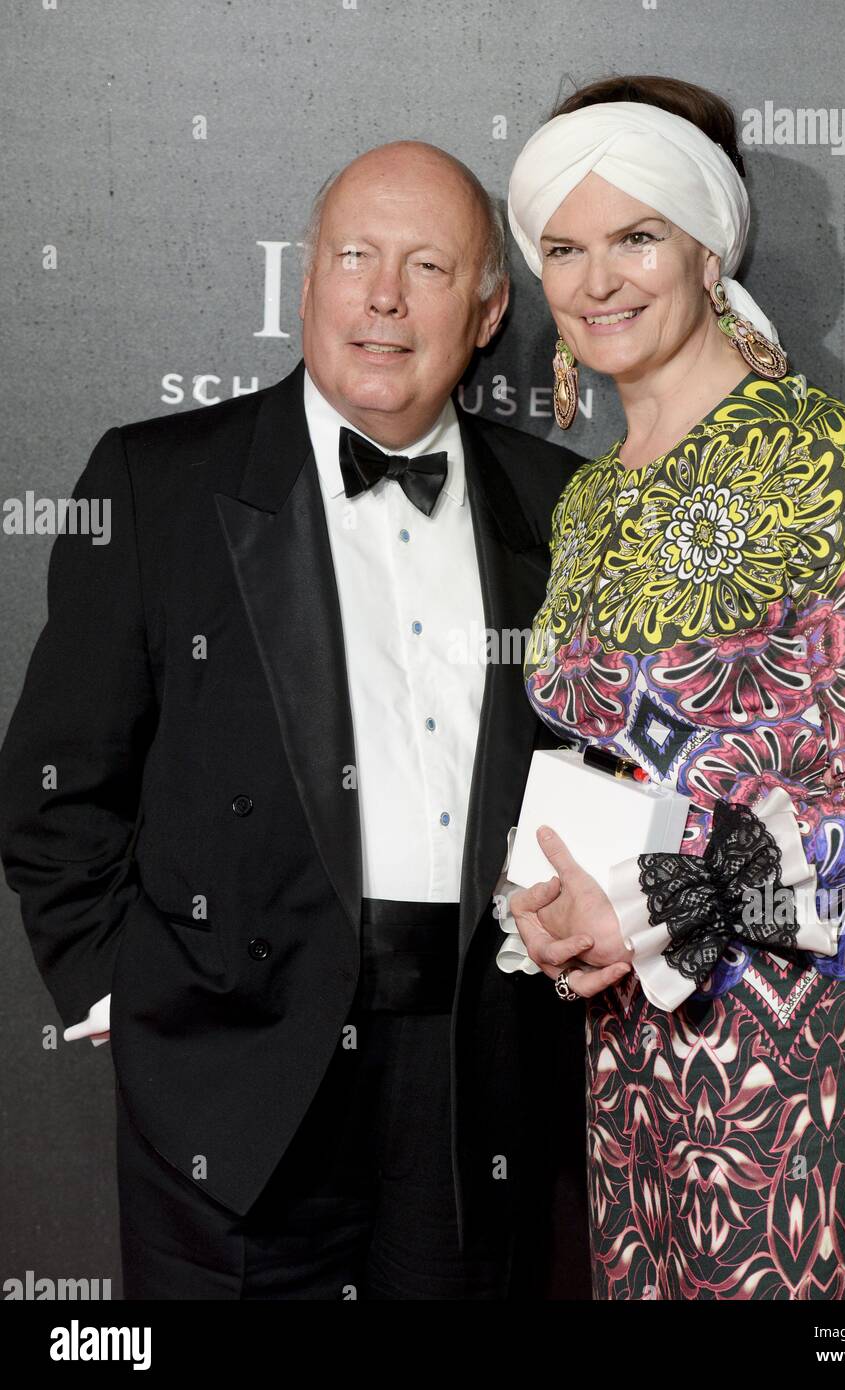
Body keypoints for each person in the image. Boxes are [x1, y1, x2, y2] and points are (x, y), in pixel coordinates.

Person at [0, 140, 591, 1299]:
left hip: (474, 1078)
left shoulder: (563, 503)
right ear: (306, 278)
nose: (380, 296)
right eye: (352, 257)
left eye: (425, 266)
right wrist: (136, 1000)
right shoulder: (155, 481)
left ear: (486, 311)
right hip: (235, 1064)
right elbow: (57, 784)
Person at [500, 75, 845, 1300]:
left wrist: (663, 896)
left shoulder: (804, 447)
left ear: (706, 250)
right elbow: (610, 764)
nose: (598, 282)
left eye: (635, 236)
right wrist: (547, 906)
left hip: (792, 1020)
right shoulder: (590, 498)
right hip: (626, 1014)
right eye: (564, 248)